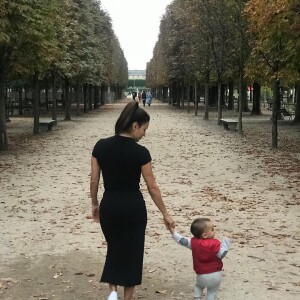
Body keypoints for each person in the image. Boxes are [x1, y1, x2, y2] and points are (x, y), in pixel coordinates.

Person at [90, 102, 175, 300]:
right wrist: (165, 213)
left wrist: (95, 204)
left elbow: (94, 180)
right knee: (133, 252)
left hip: (110, 204)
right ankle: (126, 298)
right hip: (133, 207)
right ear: (135, 126)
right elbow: (152, 188)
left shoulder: (100, 146)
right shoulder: (141, 152)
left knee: (114, 248)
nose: (144, 134)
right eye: (144, 129)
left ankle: (112, 292)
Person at [170, 218, 231, 300]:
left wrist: (173, 232)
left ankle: (197, 298)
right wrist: (226, 242)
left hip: (201, 275)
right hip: (215, 275)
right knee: (212, 292)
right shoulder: (215, 244)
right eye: (212, 229)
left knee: (198, 287)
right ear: (205, 235)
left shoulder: (193, 243)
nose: (214, 231)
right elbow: (222, 254)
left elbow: (182, 240)